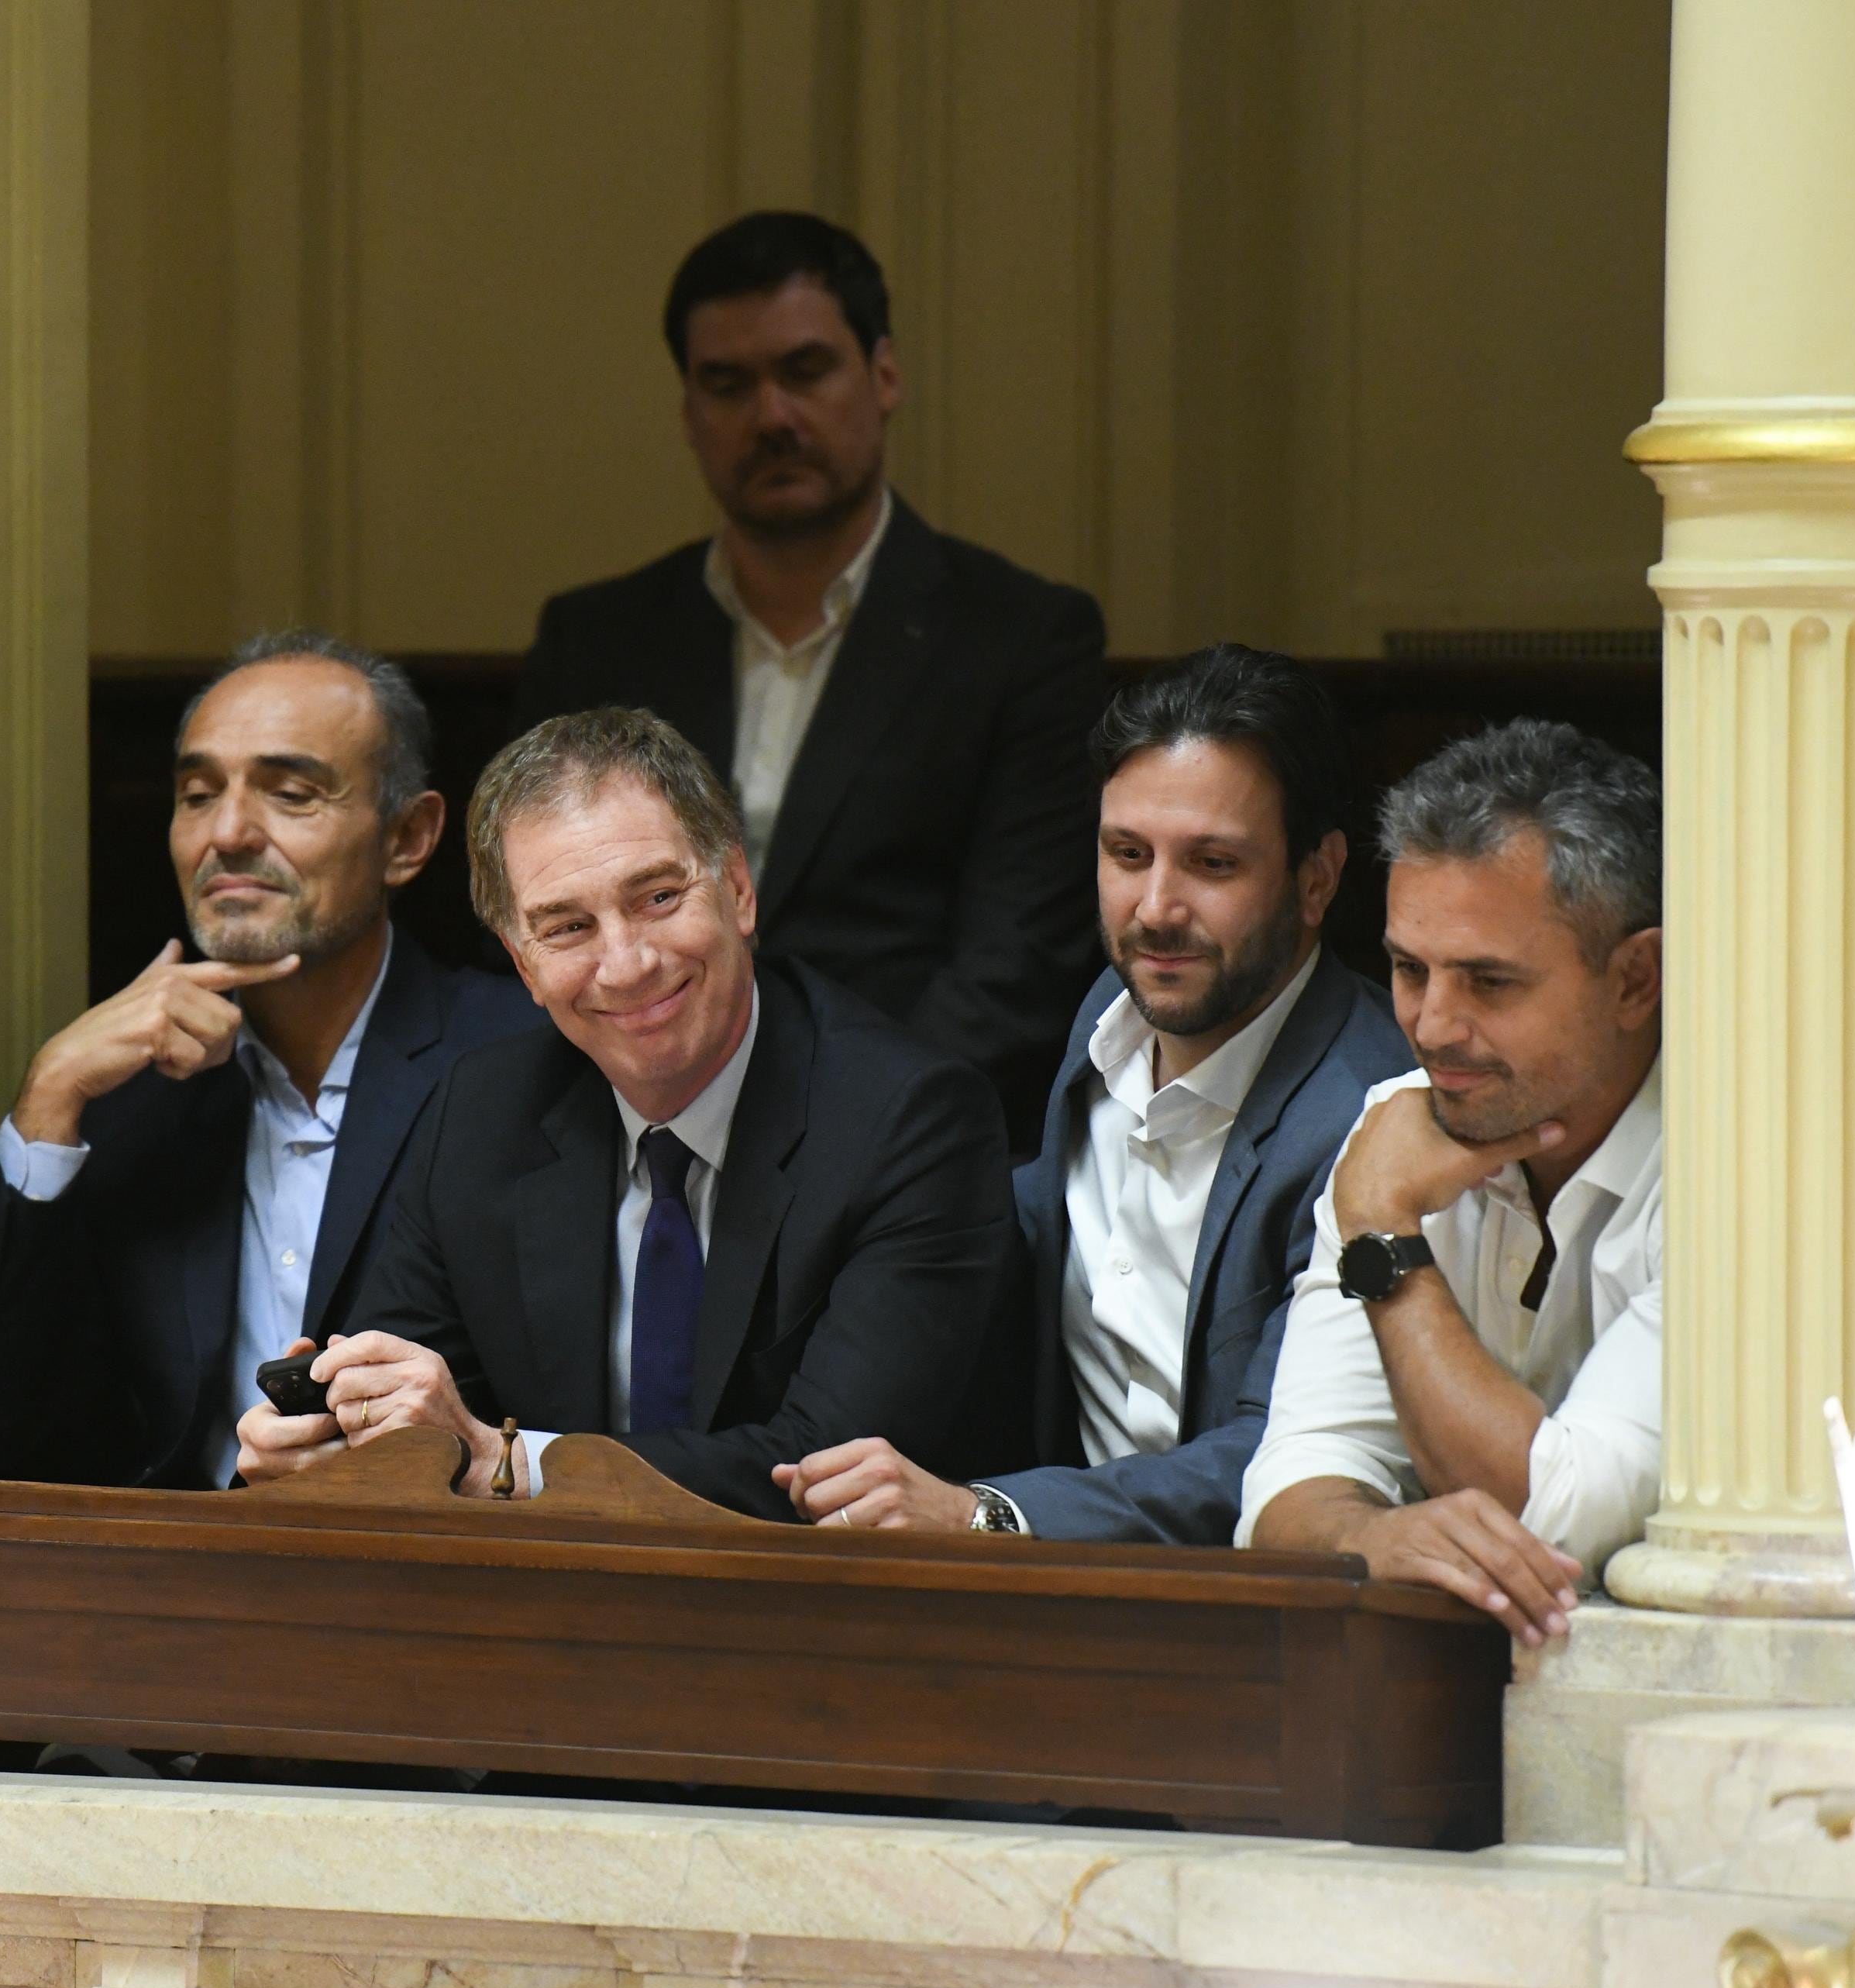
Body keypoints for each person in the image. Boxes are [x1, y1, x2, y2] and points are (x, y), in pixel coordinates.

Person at [231, 707, 1022, 1521]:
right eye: (566, 926)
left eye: (656, 896)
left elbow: (827, 1475)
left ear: (739, 891)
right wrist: (328, 1440)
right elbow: (410, 1407)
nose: (625, 963)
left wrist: (499, 1460)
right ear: (521, 964)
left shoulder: (909, 1121)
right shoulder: (480, 1113)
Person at [769, 646, 1416, 1542]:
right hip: (1060, 1578)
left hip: (1238, 1613)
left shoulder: (1374, 1115)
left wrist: (989, 1513)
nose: (1154, 906)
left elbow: (1294, 1455)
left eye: (1211, 863)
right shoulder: (1110, 1009)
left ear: (1316, 877)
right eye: (1126, 853)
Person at [513, 210, 1106, 1146]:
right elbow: (534, 931)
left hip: (905, 1142)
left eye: (804, 371)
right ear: (687, 413)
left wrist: (815, 1137)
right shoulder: (597, 641)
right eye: (727, 384)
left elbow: (1013, 972)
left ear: (883, 375)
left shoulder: (1022, 638)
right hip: (634, 1136)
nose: (772, 418)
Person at [0, 632, 541, 1490]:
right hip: (168, 1592)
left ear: (407, 836)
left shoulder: (520, 1063)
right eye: (196, 793)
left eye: (290, 793)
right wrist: (48, 1096)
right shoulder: (121, 1095)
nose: (227, 832)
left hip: (438, 1584)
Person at [1237, 719, 1664, 1643]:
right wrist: (1375, 1535)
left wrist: (1384, 1233)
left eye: (1488, 982)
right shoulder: (1398, 1125)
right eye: (1406, 968)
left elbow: (1557, 1515)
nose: (1430, 1026)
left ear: (1636, 978)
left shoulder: (1736, 1163)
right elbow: (1284, 1496)